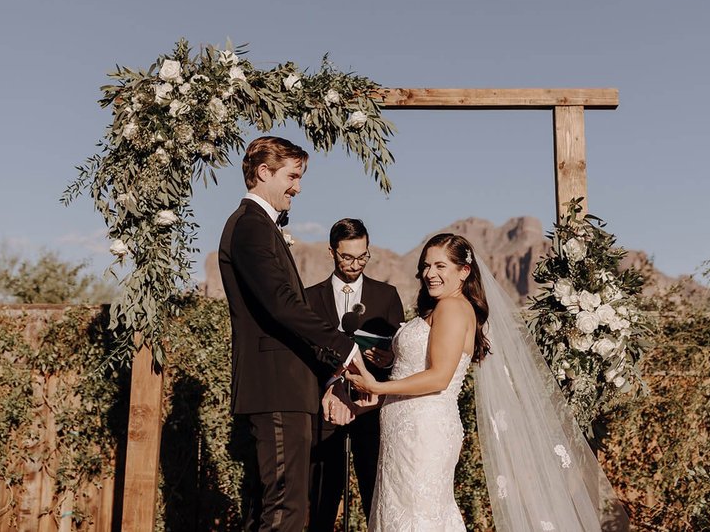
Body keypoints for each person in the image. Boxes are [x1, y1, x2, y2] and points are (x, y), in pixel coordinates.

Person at [348, 233, 629, 531]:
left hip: (424, 431)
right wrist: (384, 379)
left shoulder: (453, 308)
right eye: (426, 265)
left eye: (441, 266)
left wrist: (378, 387)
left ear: (464, 271)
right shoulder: (440, 308)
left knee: (419, 517)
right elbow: (419, 369)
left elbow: (439, 377)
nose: (430, 273)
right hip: (404, 430)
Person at [218, 136, 359, 532]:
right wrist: (343, 347)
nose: (297, 186)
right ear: (264, 172)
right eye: (292, 176)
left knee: (272, 506)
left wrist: (328, 371)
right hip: (276, 387)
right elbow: (281, 304)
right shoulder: (250, 226)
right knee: (285, 510)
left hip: (285, 388)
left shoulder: (259, 226)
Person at [307, 218, 405, 530]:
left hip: (372, 413)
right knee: (320, 503)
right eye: (347, 257)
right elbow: (306, 352)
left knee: (376, 499)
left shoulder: (386, 295)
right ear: (332, 252)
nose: (355, 264)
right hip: (324, 413)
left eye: (362, 256)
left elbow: (401, 354)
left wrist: (388, 358)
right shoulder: (309, 298)